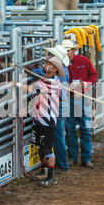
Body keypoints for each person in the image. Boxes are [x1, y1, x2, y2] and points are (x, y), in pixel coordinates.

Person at [11, 47, 67, 187]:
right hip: (39, 119)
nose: (46, 66)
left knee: (47, 149)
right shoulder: (43, 81)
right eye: (47, 63)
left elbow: (30, 89)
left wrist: (16, 84)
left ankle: (51, 175)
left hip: (47, 121)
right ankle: (44, 171)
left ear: (54, 70)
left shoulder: (53, 84)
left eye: (50, 65)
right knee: (40, 148)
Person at [31, 43, 71, 173]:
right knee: (57, 137)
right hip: (57, 105)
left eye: (50, 56)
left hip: (54, 107)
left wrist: (33, 69)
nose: (48, 57)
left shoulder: (57, 75)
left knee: (56, 136)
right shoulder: (63, 70)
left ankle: (61, 166)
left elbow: (36, 73)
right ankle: (58, 165)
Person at [66, 39, 98, 168]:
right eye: (65, 50)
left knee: (85, 129)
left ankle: (86, 158)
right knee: (70, 129)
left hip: (83, 98)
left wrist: (86, 83)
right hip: (69, 99)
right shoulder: (61, 65)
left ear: (74, 51)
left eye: (68, 50)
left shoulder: (84, 61)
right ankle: (73, 157)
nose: (67, 53)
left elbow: (93, 75)